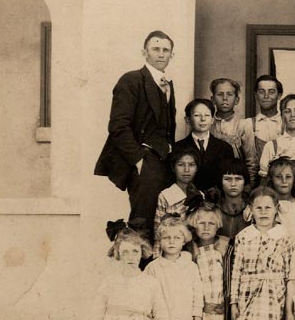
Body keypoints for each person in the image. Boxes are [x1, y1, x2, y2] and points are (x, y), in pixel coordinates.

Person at [95, 31, 177, 241]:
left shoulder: (168, 83)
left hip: (164, 161)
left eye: (165, 50)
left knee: (165, 221)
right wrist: (139, 161)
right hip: (145, 160)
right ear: (144, 52)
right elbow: (118, 126)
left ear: (171, 55)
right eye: (155, 49)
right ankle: (138, 272)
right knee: (142, 222)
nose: (161, 54)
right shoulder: (131, 80)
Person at [229, 187, 295, 320]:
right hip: (247, 300)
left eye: (268, 207)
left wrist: (287, 309)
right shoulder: (244, 236)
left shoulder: (284, 236)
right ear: (251, 210)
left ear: (276, 209)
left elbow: (289, 275)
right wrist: (233, 303)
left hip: (272, 300)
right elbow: (236, 272)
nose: (264, 212)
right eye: (259, 208)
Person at [185, 202, 230, 320]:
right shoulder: (190, 250)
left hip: (220, 314)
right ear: (194, 225)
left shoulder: (224, 247)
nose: (205, 228)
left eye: (210, 224)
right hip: (201, 314)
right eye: (201, 223)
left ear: (217, 225)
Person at [174, 98, 237, 194]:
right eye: (197, 115)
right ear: (187, 120)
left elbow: (229, 177)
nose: (203, 119)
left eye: (207, 115)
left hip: (216, 200)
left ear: (212, 120)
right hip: (186, 199)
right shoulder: (178, 147)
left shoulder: (225, 148)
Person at [153, 146, 203, 257]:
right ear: (173, 167)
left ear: (197, 168)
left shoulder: (200, 195)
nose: (186, 170)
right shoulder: (165, 195)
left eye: (191, 165)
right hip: (170, 250)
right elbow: (158, 231)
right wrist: (157, 257)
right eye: (181, 165)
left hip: (194, 251)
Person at [209, 78, 257, 182]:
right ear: (212, 99)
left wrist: (249, 187)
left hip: (235, 181)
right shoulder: (207, 124)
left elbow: (251, 161)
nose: (225, 98)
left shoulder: (244, 125)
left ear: (237, 100)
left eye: (229, 94)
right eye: (220, 94)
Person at [263, 156, 295, 250]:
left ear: (294, 180)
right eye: (278, 177)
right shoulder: (266, 206)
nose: (284, 181)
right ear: (271, 180)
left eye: (288, 177)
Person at [249, 75, 285, 178]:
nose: (266, 96)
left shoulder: (287, 124)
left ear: (279, 95)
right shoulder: (248, 125)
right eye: (261, 92)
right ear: (256, 95)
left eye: (271, 92)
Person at [215, 157, 249, 244]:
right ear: (220, 181)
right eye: (227, 179)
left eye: (238, 179)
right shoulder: (213, 209)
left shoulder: (252, 208)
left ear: (245, 181)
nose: (233, 184)